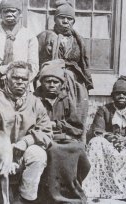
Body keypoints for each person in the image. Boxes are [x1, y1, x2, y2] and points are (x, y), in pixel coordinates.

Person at [0, 61, 53, 203]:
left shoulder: (35, 102)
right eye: (16, 78)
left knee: (38, 154)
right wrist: (3, 148)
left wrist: (26, 142)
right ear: (6, 79)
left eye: (24, 79)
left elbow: (46, 131)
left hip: (22, 153)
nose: (20, 82)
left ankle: (25, 198)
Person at [33, 59, 90, 203]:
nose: (52, 85)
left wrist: (58, 125)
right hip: (43, 139)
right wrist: (46, 127)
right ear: (41, 82)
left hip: (63, 137)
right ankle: (52, 195)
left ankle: (71, 192)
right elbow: (29, 124)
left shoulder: (65, 100)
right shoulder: (34, 99)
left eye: (56, 82)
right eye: (48, 81)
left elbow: (77, 127)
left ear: (61, 84)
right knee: (54, 151)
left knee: (78, 149)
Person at [37, 1, 93, 134]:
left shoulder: (78, 39)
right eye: (62, 18)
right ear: (55, 19)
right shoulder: (45, 36)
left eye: (69, 19)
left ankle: (76, 141)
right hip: (52, 80)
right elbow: (37, 60)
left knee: (76, 111)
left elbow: (83, 63)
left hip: (75, 83)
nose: (66, 21)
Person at [0, 0, 39, 88]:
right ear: (0, 14)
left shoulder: (29, 35)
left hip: (20, 84)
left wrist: (16, 77)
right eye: (6, 11)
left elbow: (33, 66)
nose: (9, 14)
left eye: (13, 11)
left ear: (20, 13)